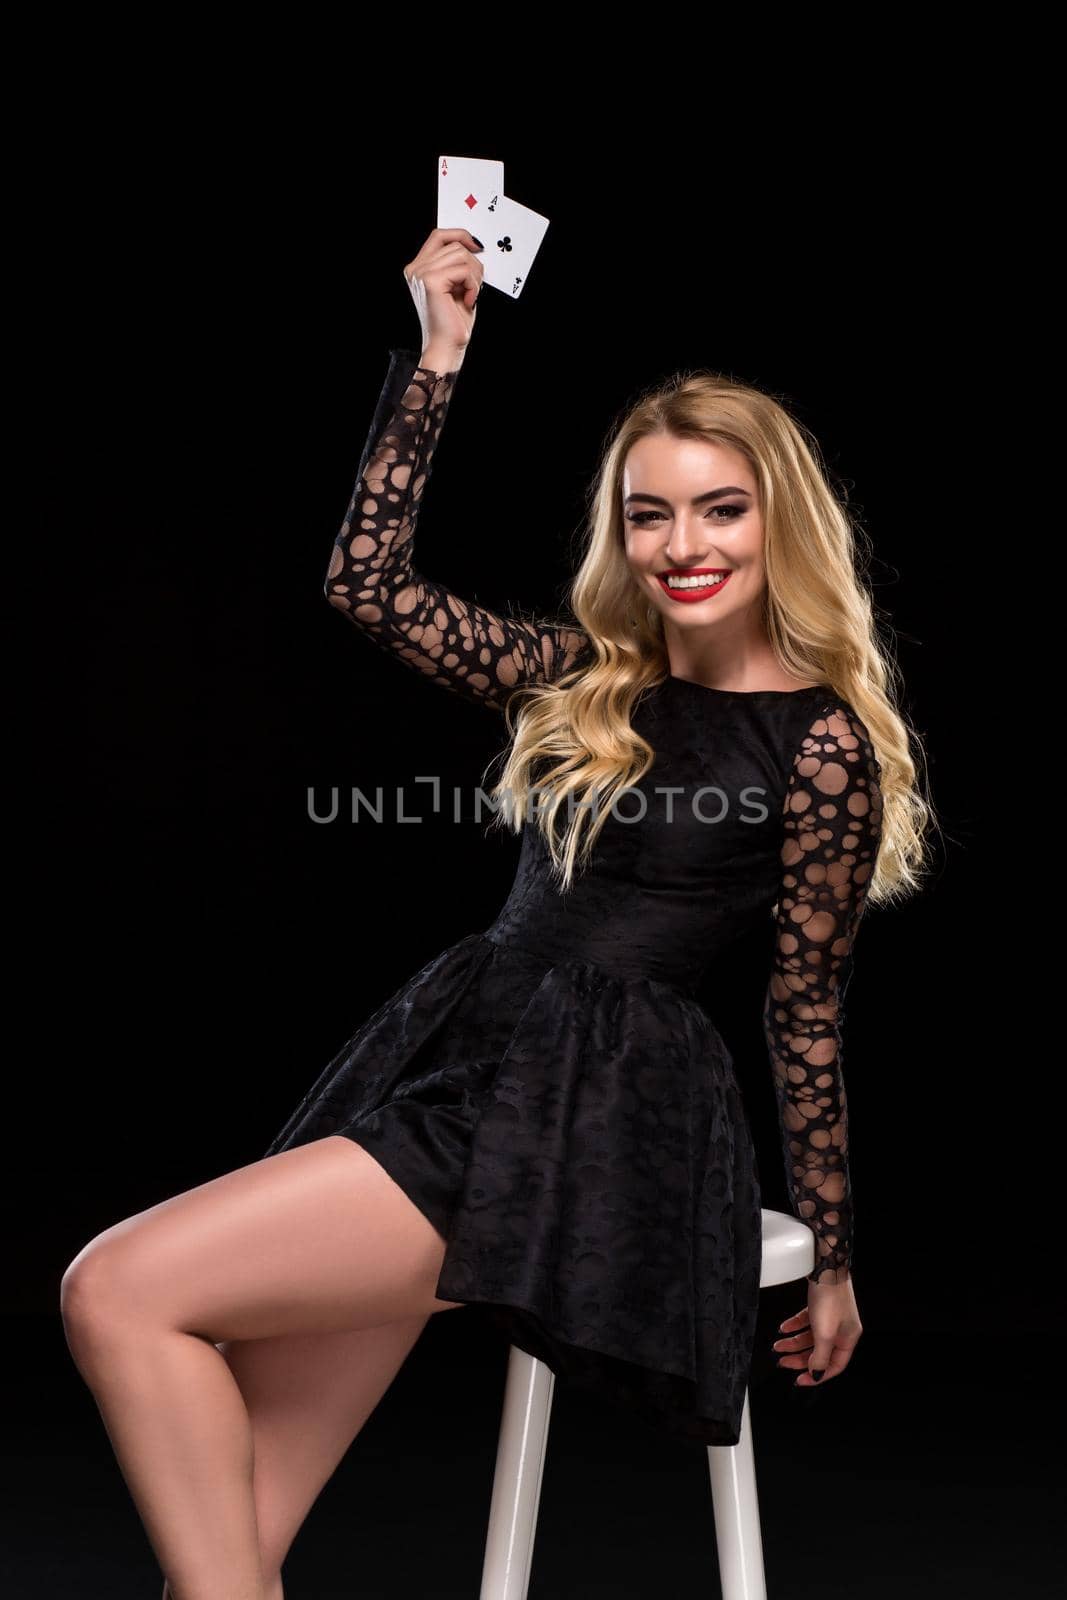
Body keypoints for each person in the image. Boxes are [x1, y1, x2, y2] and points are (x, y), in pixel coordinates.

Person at [61, 227, 933, 1598]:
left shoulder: (819, 748)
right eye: (650, 513)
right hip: (461, 1063)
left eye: (721, 507)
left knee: (115, 1290)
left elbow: (803, 1006)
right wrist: (438, 359)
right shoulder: (590, 672)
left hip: (596, 1110)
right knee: (228, 1548)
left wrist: (832, 1257)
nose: (681, 545)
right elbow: (369, 589)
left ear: (781, 520)